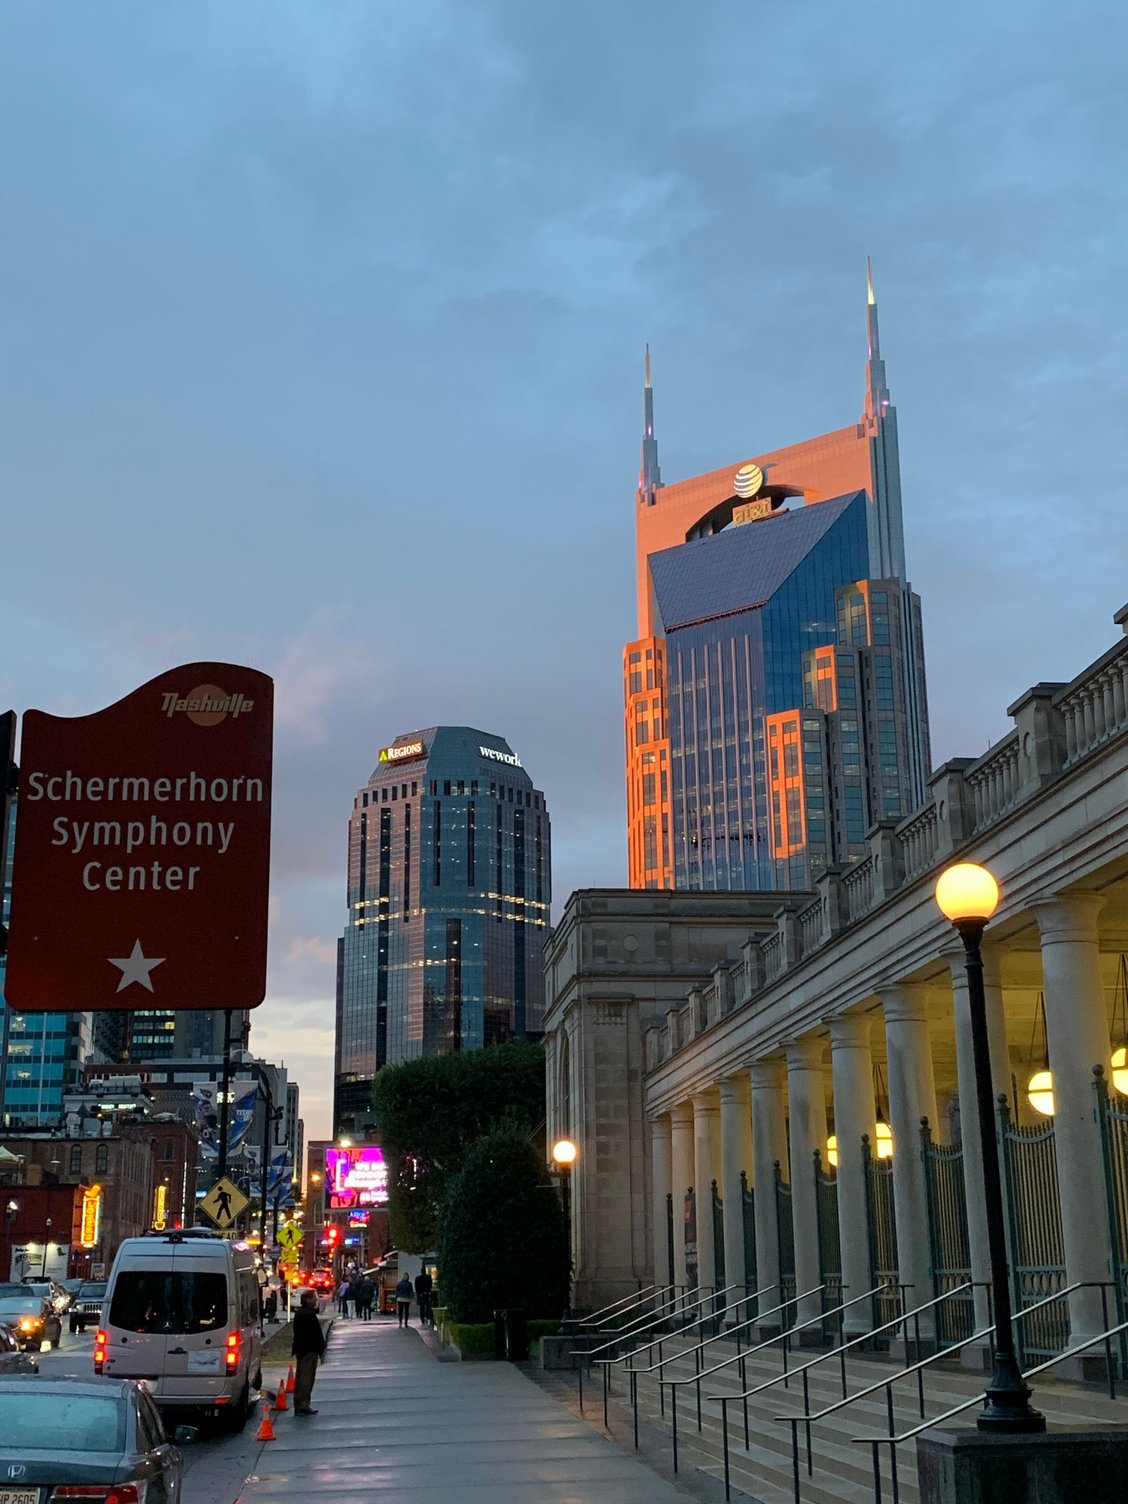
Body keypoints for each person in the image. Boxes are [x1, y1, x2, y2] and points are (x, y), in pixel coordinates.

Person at [291, 1289, 327, 1416]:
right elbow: (313, 1334)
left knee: (302, 1377)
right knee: (306, 1378)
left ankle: (300, 1403)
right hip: (308, 1350)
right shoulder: (308, 1316)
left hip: (303, 1350)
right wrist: (319, 1348)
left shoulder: (301, 1314)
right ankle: (303, 1404)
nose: (316, 1301)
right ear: (308, 1300)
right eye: (314, 1298)